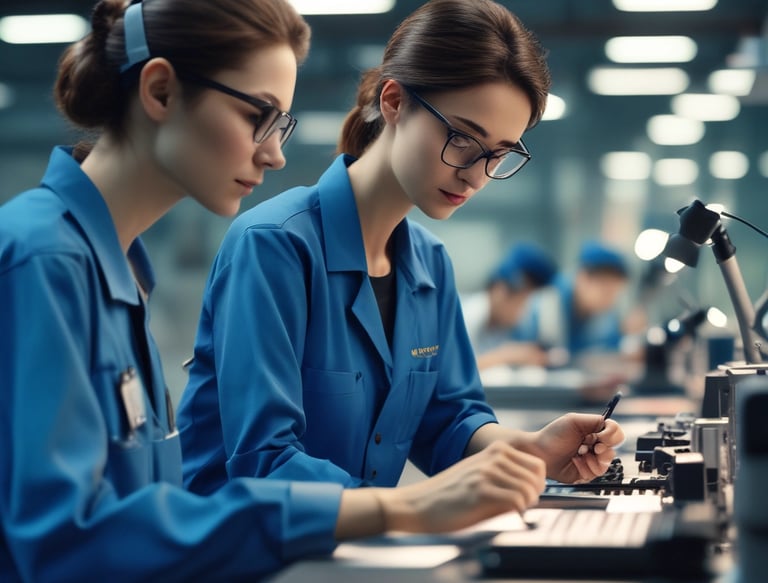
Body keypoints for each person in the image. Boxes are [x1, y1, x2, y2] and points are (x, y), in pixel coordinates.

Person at [0, 1, 568, 580]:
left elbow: (135, 511)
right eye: (258, 116)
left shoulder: (113, 269)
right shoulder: (44, 260)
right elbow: (67, 541)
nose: (274, 155)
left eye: (281, 124)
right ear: (162, 92)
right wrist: (403, 507)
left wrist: (518, 454)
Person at [178, 0, 624, 497]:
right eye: (462, 138)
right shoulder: (275, 246)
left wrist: (532, 451)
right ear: (394, 102)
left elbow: (449, 420)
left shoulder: (428, 266)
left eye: (498, 154)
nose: (477, 175)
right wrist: (408, 513)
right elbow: (264, 460)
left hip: (359, 554)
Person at [515, 240, 641, 368]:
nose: (610, 300)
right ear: (583, 277)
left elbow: (611, 347)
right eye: (606, 292)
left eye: (615, 293)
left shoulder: (603, 314)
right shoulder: (547, 302)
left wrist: (627, 335)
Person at [461, 241, 557, 370]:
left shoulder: (514, 326)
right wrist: (505, 356)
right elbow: (455, 372)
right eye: (521, 302)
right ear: (500, 292)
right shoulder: (468, 315)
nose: (522, 311)